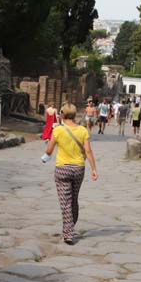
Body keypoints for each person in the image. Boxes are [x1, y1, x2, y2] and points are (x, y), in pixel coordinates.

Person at [45, 103, 98, 244]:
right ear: (74, 115)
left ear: (62, 114)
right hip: (79, 169)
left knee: (65, 202)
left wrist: (46, 155)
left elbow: (49, 151)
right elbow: (88, 151)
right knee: (73, 199)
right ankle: (70, 227)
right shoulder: (83, 130)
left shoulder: (58, 131)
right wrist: (94, 169)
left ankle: (68, 233)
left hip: (62, 169)